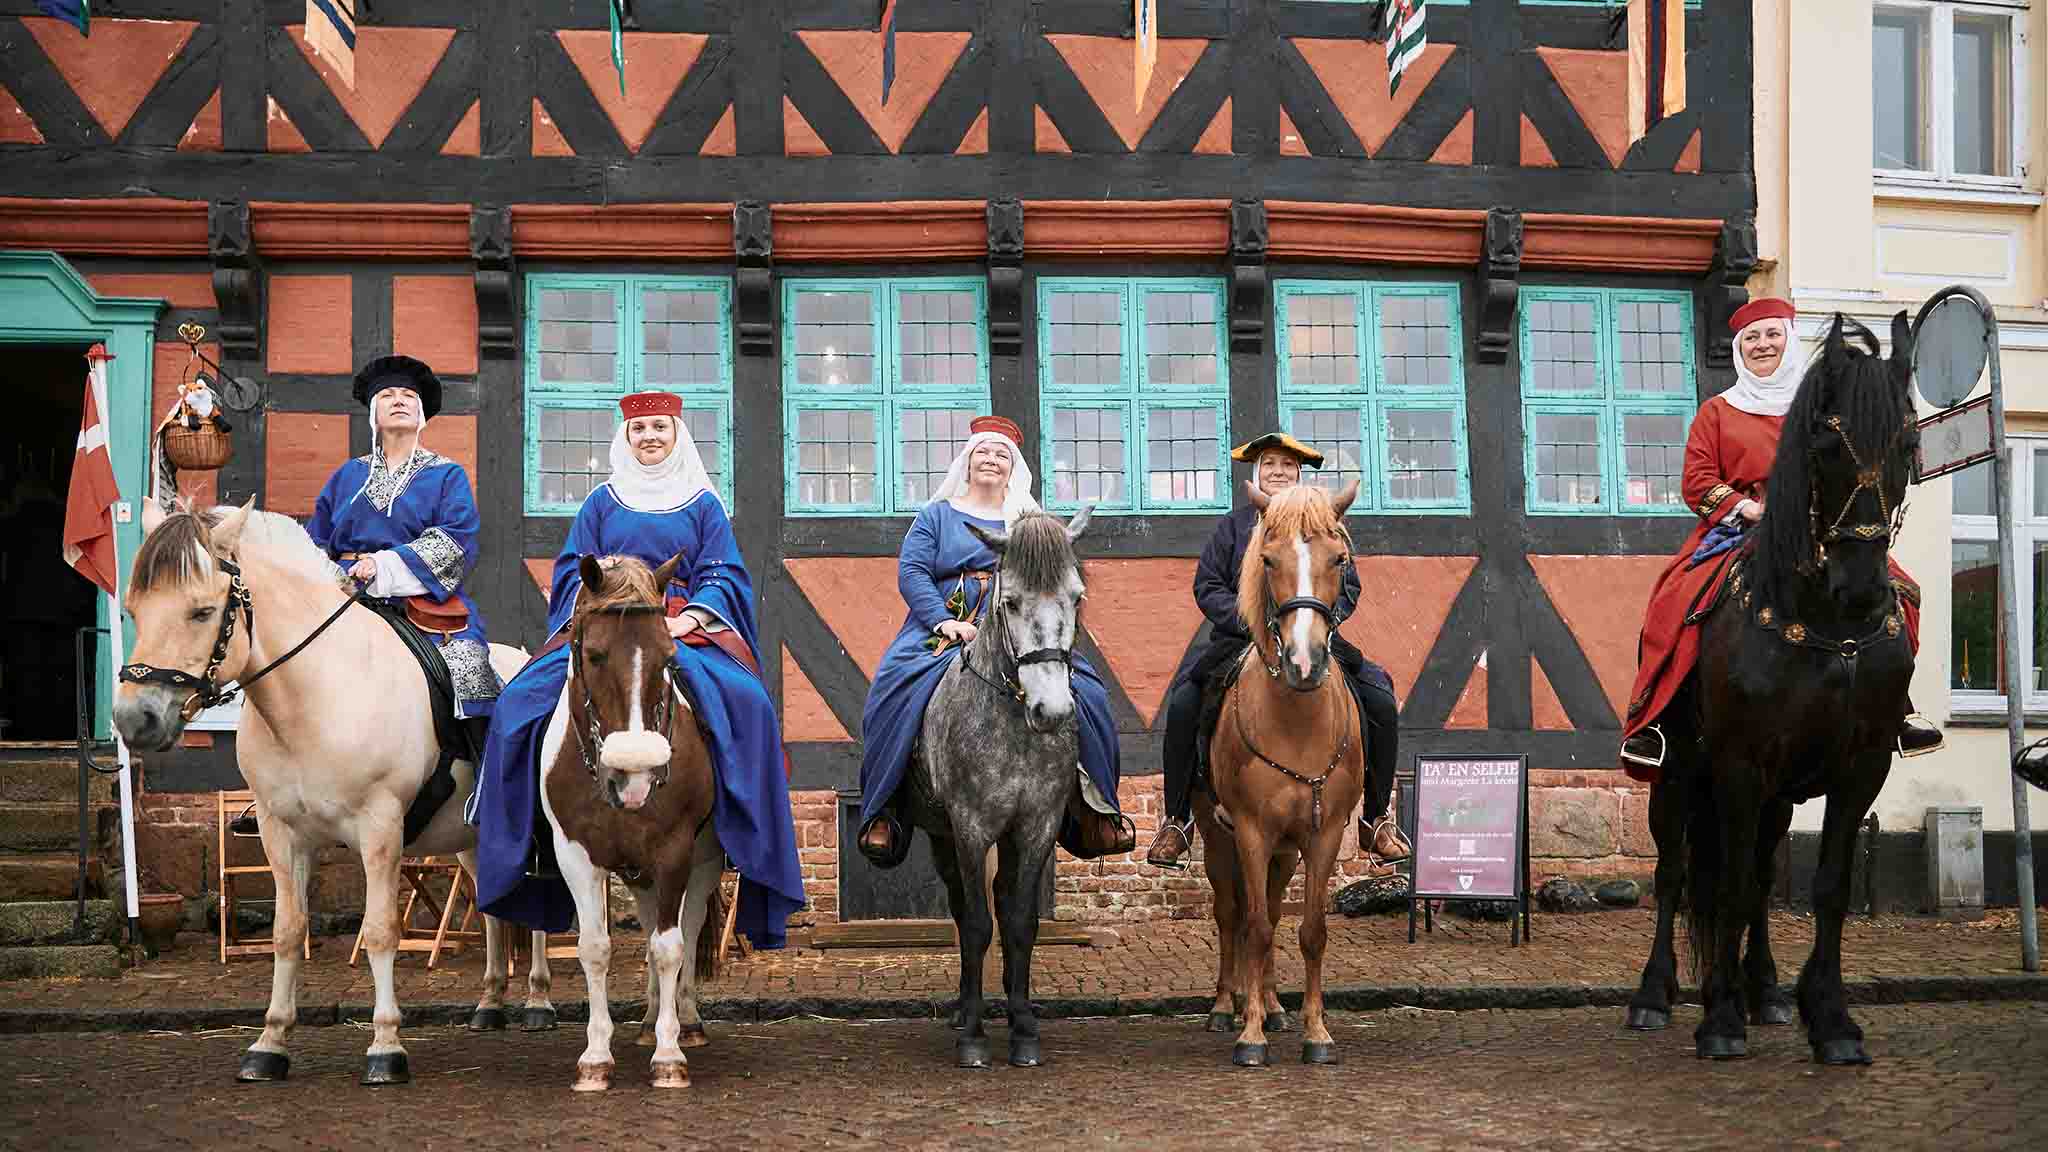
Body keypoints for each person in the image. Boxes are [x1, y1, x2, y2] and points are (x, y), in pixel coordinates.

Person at [472, 391, 804, 949]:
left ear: (677, 435)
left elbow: (724, 574)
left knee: (748, 704)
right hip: (605, 629)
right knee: (514, 708)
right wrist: (599, 598)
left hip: (679, 629)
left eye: (659, 427)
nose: (649, 436)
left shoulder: (702, 505)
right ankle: (520, 837)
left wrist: (691, 617)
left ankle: (739, 830)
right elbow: (571, 569)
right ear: (624, 439)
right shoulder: (601, 502)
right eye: (638, 429)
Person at [1619, 298, 1942, 775]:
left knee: (1902, 592)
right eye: (1751, 338)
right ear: (1739, 350)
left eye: (1772, 334)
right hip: (1738, 531)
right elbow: (1697, 480)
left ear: (1788, 340)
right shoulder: (1718, 411)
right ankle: (1660, 719)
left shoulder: (1817, 408)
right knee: (1674, 598)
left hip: (1820, 528)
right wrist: (1747, 507)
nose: (1762, 345)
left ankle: (1894, 709)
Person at [854, 415, 1135, 867]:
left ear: (1013, 467)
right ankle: (887, 808)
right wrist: (943, 621)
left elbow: (1054, 579)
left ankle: (1095, 809)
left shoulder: (1032, 521)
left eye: (1001, 455)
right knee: (890, 690)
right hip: (944, 628)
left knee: (1091, 695)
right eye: (983, 452)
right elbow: (912, 572)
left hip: (1021, 626)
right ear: (967, 462)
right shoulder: (936, 516)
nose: (991, 460)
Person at [1145, 432, 1410, 871]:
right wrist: (1249, 620)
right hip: (1238, 640)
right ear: (1257, 473)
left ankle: (1376, 819)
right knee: (1185, 702)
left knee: (1380, 695)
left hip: (1311, 636)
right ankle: (1177, 820)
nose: (1279, 472)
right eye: (1270, 464)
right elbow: (1207, 585)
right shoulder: (1232, 527)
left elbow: (1348, 586)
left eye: (1288, 466)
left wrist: (1322, 620)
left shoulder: (1326, 524)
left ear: (1299, 474)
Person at [308, 355, 499, 744]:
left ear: (422, 412)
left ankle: (482, 784)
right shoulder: (347, 475)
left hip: (425, 604)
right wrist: (333, 576)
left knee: (471, 673)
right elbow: (316, 541)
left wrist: (384, 565)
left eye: (409, 395)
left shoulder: (446, 474)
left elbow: (458, 538)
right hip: (345, 599)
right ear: (373, 413)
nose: (399, 400)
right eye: (388, 395)